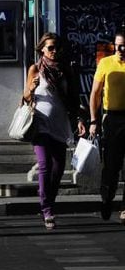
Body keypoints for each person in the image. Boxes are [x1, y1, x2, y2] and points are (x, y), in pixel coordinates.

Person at [24, 32, 86, 230]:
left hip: (59, 124)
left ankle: (48, 201)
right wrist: (31, 89)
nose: (54, 51)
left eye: (57, 47)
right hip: (41, 124)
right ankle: (46, 209)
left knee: (58, 169)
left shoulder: (66, 70)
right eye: (50, 47)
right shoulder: (35, 69)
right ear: (42, 48)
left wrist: (79, 119)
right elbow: (25, 97)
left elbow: (74, 99)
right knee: (44, 165)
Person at [89, 32, 125, 222]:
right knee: (112, 165)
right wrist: (93, 120)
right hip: (112, 118)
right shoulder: (106, 63)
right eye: (118, 45)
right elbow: (95, 92)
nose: (121, 50)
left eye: (124, 46)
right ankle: (107, 199)